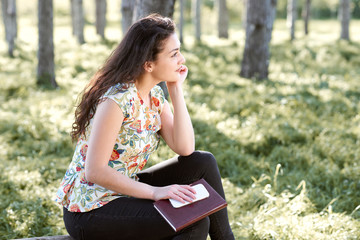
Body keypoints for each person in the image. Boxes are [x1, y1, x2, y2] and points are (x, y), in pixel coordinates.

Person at [55, 14, 235, 240]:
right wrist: (155, 192)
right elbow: (95, 170)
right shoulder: (117, 100)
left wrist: (176, 90)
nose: (182, 59)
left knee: (203, 161)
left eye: (179, 51)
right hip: (90, 209)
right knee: (194, 225)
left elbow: (185, 148)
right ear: (148, 64)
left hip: (125, 190)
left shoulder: (155, 97)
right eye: (174, 54)